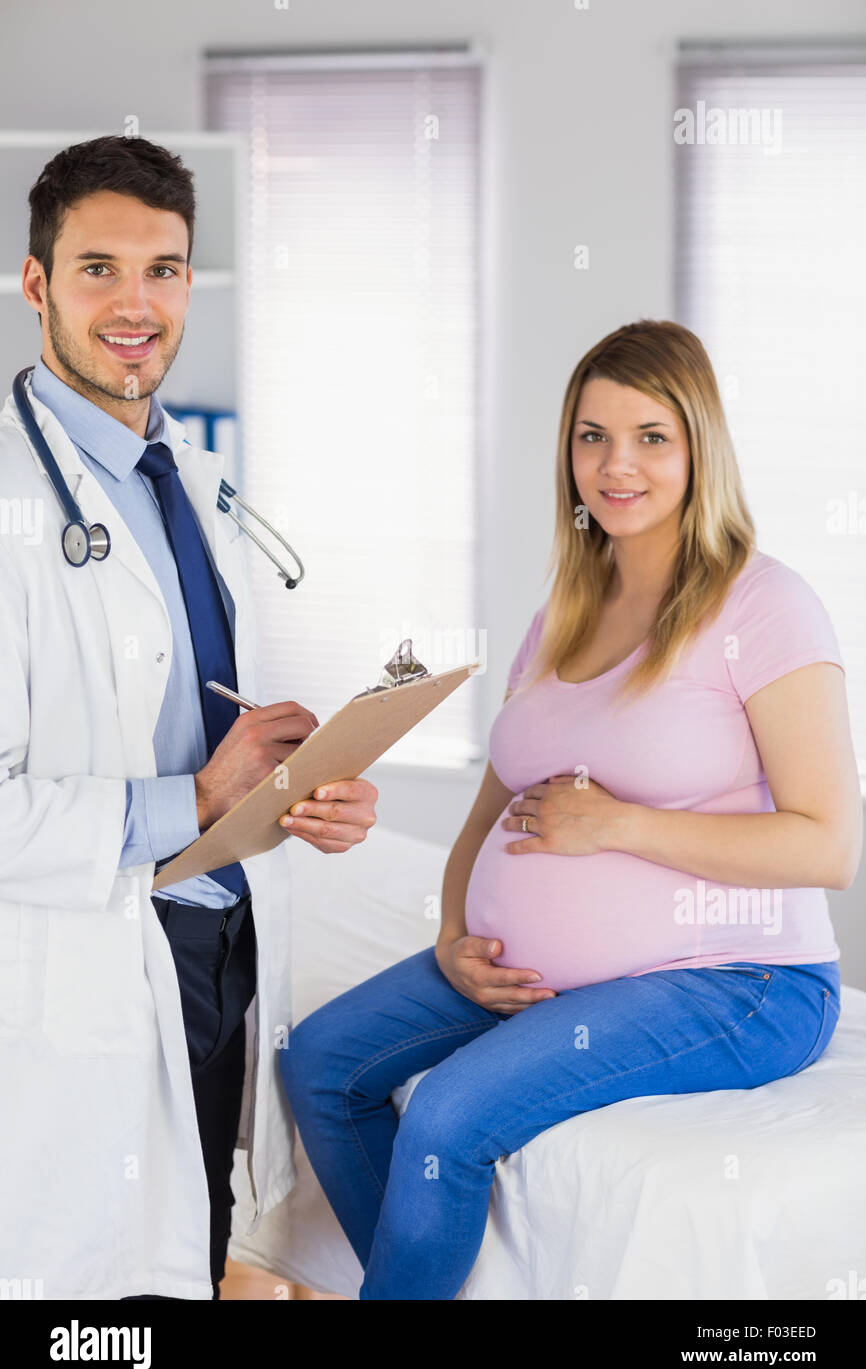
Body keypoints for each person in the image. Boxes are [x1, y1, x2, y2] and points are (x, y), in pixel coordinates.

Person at [282, 319, 863, 1301]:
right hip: (536, 976)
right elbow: (487, 810)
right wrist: (457, 933)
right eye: (590, 435)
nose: (614, 463)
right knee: (322, 1064)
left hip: (739, 978)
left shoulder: (764, 606)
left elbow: (828, 846)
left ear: (698, 448)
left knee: (448, 1115)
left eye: (649, 435)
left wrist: (620, 824)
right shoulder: (563, 612)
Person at [0, 135, 378, 1300]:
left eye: (163, 270)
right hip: (87, 957)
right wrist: (197, 799)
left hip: (219, 941)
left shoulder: (194, 479)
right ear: (35, 284)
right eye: (98, 267)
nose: (135, 303)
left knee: (190, 1244)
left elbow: (201, 717)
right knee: (88, 1289)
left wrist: (295, 785)